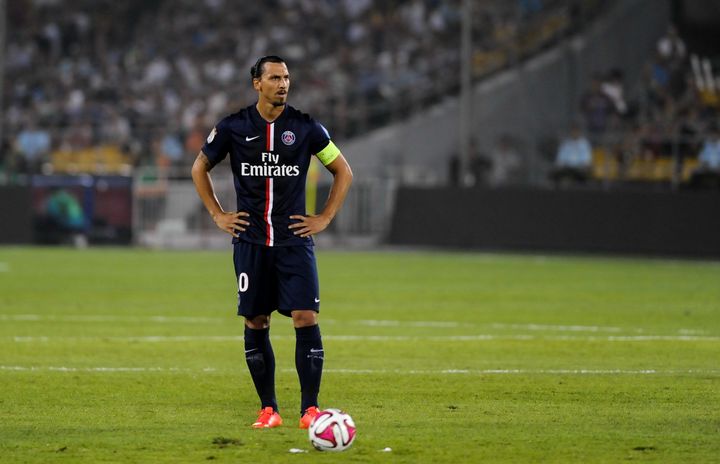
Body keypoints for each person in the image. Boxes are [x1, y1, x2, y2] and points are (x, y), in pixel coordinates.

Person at [191, 56, 353, 429]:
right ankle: (269, 409)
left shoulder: (306, 128)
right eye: (275, 78)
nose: (283, 84)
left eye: (287, 78)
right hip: (249, 241)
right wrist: (218, 214)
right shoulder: (233, 127)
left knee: (305, 316)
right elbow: (199, 166)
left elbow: (342, 169)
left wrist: (325, 217)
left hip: (294, 241)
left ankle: (310, 410)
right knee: (255, 319)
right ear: (257, 84)